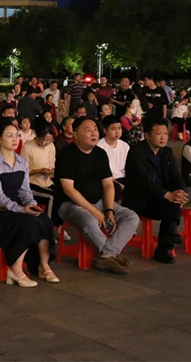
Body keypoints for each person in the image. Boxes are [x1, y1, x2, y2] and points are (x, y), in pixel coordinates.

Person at [55, 117, 139, 274]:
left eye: (95, 129)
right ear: (75, 134)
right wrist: (95, 212)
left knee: (131, 217)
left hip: (99, 201)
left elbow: (108, 184)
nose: (94, 133)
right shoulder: (66, 155)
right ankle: (111, 255)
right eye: (88, 130)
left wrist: (109, 210)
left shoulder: (100, 153)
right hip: (71, 204)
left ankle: (107, 255)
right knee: (89, 220)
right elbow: (69, 190)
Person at [0, 120, 57, 287]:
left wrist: (31, 205)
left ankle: (43, 265)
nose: (15, 139)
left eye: (17, 135)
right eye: (10, 136)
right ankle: (15, 269)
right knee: (28, 222)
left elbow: (25, 191)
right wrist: (21, 209)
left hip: (18, 205)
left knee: (43, 218)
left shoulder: (22, 162)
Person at [123, 119, 188, 264]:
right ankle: (169, 237)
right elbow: (143, 181)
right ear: (147, 135)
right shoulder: (136, 152)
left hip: (160, 198)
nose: (163, 137)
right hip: (140, 200)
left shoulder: (167, 152)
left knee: (174, 204)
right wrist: (167, 195)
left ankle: (164, 248)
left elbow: (176, 176)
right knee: (171, 205)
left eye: (165, 134)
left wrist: (181, 192)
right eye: (159, 134)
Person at [20, 124, 57, 219]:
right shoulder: (27, 148)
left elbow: (52, 164)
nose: (47, 143)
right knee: (51, 197)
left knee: (62, 193)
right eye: (45, 140)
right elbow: (23, 172)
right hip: (32, 184)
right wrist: (40, 171)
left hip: (47, 182)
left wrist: (52, 171)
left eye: (50, 140)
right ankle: (48, 223)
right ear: (37, 136)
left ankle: (58, 224)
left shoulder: (51, 146)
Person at [96, 115, 130, 196]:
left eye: (119, 128)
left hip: (124, 178)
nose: (117, 132)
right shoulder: (99, 146)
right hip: (109, 180)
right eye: (113, 129)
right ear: (105, 130)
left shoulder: (125, 146)